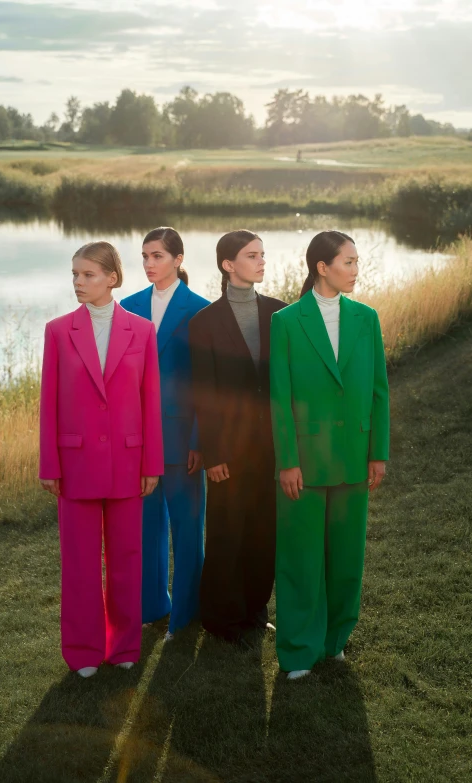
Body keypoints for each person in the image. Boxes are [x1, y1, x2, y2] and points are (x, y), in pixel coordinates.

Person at [39, 241, 163, 678]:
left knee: (128, 558)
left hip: (130, 464)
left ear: (112, 278)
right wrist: (49, 465)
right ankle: (83, 650)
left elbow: (151, 401)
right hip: (75, 466)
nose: (78, 282)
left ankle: (124, 644)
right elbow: (48, 404)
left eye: (88, 274)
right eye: (75, 274)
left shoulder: (142, 331)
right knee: (80, 563)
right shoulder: (57, 331)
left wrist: (152, 464)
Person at [270, 230, 390, 680]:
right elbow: (280, 398)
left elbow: (379, 391)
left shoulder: (367, 318)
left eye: (357, 262)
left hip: (355, 457)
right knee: (301, 560)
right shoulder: (286, 321)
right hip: (303, 460)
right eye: (349, 262)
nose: (356, 270)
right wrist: (287, 461)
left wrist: (378, 453)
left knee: (346, 559)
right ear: (322, 267)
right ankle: (299, 649)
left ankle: (334, 641)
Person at [189, 229, 287, 647]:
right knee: (228, 531)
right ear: (229, 265)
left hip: (272, 446)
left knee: (265, 532)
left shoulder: (281, 314)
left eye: (263, 254)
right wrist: (214, 454)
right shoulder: (205, 322)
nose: (262, 261)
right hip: (227, 449)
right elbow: (204, 394)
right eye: (252, 255)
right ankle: (221, 619)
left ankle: (254, 610)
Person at [120, 228, 209, 640]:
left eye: (157, 255)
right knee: (146, 527)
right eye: (144, 256)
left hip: (181, 439)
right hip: (138, 440)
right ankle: (153, 605)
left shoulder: (201, 310)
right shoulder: (129, 306)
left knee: (187, 529)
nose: (149, 264)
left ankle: (185, 614)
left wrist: (197, 441)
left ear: (177, 258)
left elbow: (205, 384)